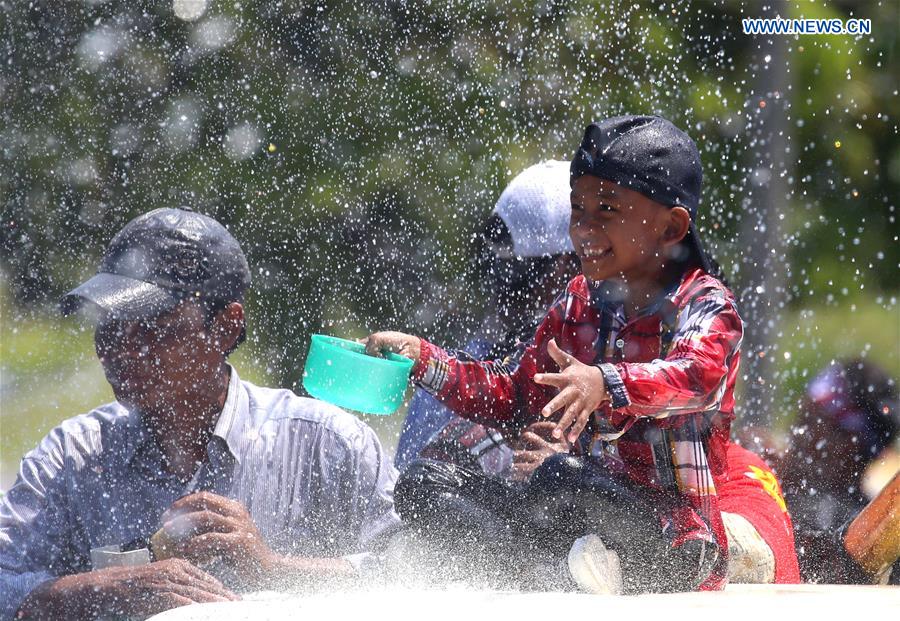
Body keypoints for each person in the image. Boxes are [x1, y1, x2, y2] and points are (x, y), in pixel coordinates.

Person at [367, 115, 746, 594]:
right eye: (577, 209)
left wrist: (603, 383)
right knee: (424, 482)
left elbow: (697, 377)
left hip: (669, 545)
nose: (584, 229)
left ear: (671, 227)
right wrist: (423, 358)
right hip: (566, 527)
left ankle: (565, 567)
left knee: (559, 476)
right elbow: (511, 394)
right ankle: (546, 571)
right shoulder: (577, 302)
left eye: (606, 210)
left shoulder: (707, 305)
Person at [0, 208, 399, 619]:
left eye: (151, 325)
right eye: (110, 324)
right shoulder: (71, 457)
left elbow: (421, 575)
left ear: (226, 327)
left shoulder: (327, 445)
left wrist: (276, 570)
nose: (118, 348)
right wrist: (100, 588)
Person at [395, 160, 579, 480]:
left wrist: (567, 473)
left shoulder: (617, 375)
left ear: (575, 268)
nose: (506, 293)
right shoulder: (448, 379)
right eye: (498, 272)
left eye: (522, 275)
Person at [772, 359, 898, 583]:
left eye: (817, 418)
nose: (800, 427)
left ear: (851, 444)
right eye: (805, 409)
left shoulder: (829, 521)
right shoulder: (861, 516)